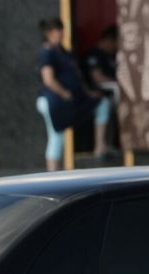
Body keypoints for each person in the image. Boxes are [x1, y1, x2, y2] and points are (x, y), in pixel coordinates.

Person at [37, 17, 111, 171]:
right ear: (49, 33)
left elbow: (78, 77)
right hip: (54, 101)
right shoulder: (47, 52)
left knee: (101, 103)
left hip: (71, 100)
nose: (61, 33)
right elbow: (48, 79)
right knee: (57, 136)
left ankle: (100, 146)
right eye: (57, 30)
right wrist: (64, 93)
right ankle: (52, 175)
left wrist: (88, 93)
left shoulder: (64, 52)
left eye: (61, 29)